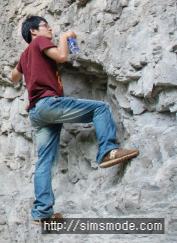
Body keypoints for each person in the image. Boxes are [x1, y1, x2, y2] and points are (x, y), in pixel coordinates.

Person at [10, 16, 139, 224]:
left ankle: (42, 212)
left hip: (36, 113)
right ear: (34, 31)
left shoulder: (25, 55)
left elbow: (13, 77)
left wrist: (27, 66)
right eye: (45, 26)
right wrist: (65, 37)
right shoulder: (40, 42)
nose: (49, 29)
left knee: (44, 161)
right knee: (101, 108)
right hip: (48, 104)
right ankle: (107, 151)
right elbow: (61, 56)